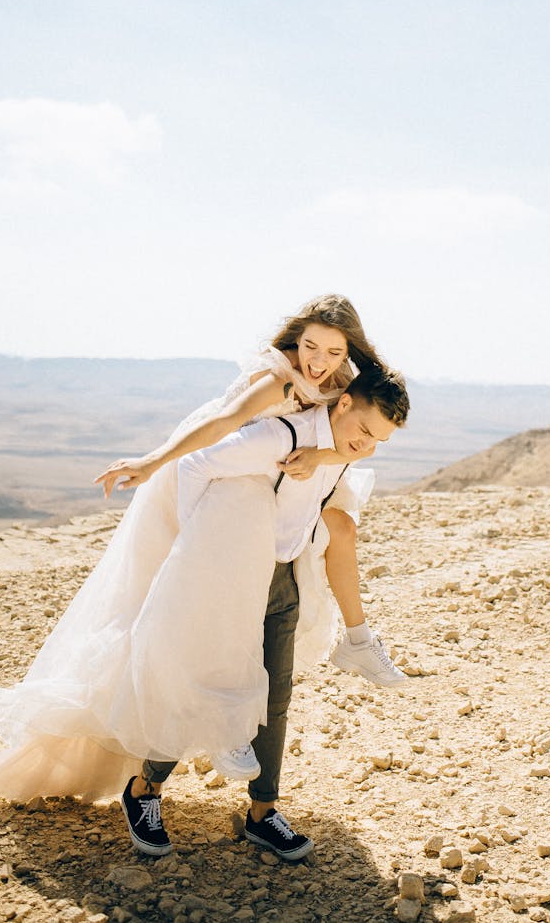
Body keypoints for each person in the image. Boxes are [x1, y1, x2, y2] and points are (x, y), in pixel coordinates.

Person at [119, 363, 410, 860]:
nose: (366, 446)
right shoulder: (282, 435)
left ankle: (263, 812)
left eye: (379, 439)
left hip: (282, 580)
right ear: (343, 404)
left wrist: (332, 458)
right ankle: (143, 791)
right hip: (231, 577)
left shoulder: (339, 448)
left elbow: (324, 499)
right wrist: (200, 543)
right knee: (204, 681)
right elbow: (195, 465)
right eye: (364, 430)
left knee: (275, 697)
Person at [95, 294, 404, 689]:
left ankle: (359, 641)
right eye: (310, 346)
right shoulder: (278, 381)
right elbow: (222, 424)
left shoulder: (344, 382)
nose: (319, 361)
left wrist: (319, 456)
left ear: (348, 352)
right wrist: (152, 462)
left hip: (283, 465)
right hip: (225, 461)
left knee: (342, 528)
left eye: (333, 352)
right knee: (174, 597)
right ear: (297, 338)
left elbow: (371, 438)